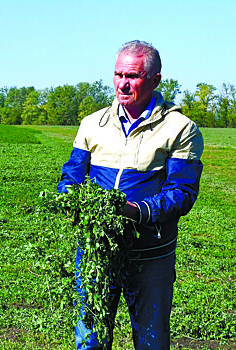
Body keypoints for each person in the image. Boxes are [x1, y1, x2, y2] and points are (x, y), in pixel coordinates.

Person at [57, 40, 204, 349]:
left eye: (133, 76)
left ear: (155, 79)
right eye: (118, 74)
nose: (122, 84)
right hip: (96, 249)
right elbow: (72, 174)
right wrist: (70, 199)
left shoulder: (180, 129)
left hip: (150, 254)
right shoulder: (92, 124)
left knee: (151, 340)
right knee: (90, 337)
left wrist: (135, 211)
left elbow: (182, 192)